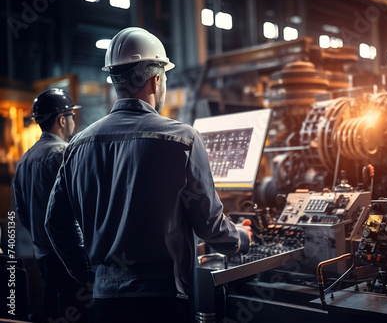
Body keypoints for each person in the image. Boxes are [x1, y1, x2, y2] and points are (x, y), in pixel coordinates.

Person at [44, 27, 250, 323]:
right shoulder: (183, 139)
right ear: (156, 79)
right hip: (163, 301)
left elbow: (55, 222)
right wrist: (242, 238)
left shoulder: (78, 144)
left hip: (104, 302)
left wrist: (90, 273)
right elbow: (210, 226)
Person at [12, 89, 90, 322]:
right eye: (72, 116)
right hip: (67, 256)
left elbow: (22, 213)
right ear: (62, 119)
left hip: (42, 254)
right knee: (75, 310)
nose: (74, 121)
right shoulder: (62, 153)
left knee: (50, 309)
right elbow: (77, 209)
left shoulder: (25, 159)